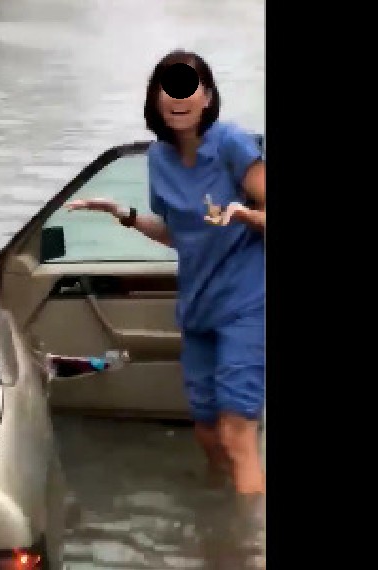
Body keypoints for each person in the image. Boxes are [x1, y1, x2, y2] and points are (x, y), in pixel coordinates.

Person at [67, 49, 266, 546]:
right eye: (169, 88)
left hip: (247, 302)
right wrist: (125, 216)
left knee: (237, 432)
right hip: (198, 306)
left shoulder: (234, 145)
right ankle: (223, 530)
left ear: (207, 96)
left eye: (189, 87)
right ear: (157, 99)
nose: (179, 99)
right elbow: (180, 234)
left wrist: (243, 215)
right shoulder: (158, 160)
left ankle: (248, 548)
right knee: (204, 430)